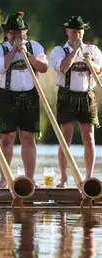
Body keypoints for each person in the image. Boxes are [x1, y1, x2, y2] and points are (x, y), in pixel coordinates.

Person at [0, 12, 48, 188]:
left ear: (26, 32)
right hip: (7, 96)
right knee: (6, 138)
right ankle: (4, 179)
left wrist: (26, 53)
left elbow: (44, 67)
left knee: (29, 137)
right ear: (6, 33)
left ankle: (29, 179)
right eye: (13, 32)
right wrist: (15, 50)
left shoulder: (34, 46)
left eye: (20, 32)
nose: (17, 35)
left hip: (30, 95)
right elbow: (0, 67)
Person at [51, 16, 102, 188]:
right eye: (73, 31)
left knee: (89, 137)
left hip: (87, 95)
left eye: (79, 31)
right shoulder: (59, 50)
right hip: (67, 95)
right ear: (67, 32)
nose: (77, 35)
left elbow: (99, 70)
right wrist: (75, 52)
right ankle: (64, 179)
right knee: (66, 138)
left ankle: (88, 178)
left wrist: (89, 61)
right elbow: (63, 67)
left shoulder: (93, 50)